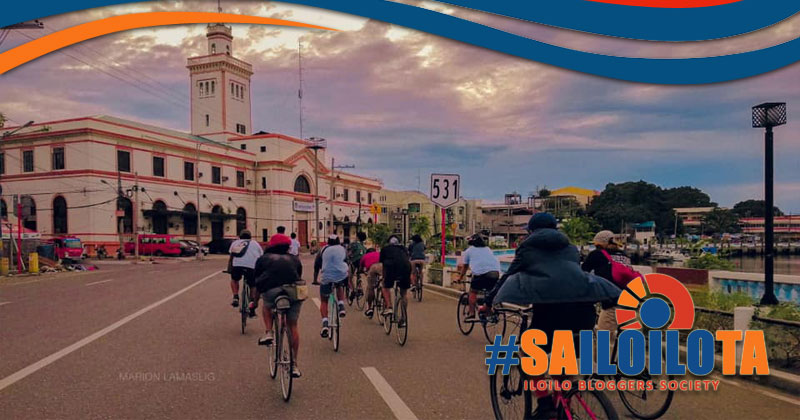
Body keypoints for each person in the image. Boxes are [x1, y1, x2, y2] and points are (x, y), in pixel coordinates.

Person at [490, 213, 620, 419]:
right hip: (584, 311)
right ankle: (568, 398)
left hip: (552, 311)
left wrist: (489, 300)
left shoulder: (527, 247)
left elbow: (509, 275)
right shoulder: (570, 248)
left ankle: (545, 404)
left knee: (529, 353)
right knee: (564, 358)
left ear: (532, 231)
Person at [254, 234, 303, 378]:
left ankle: (269, 332)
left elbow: (257, 283)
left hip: (272, 292)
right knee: (292, 325)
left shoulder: (263, 259)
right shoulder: (295, 259)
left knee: (266, 306)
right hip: (293, 292)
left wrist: (255, 302)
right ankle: (294, 364)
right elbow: (298, 275)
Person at [582, 230, 633, 340]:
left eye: (597, 245)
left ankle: (603, 357)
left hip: (612, 302)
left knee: (603, 337)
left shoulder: (597, 254)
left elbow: (582, 273)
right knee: (626, 337)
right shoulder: (624, 255)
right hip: (631, 301)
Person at [457, 234, 501, 321]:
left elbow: (465, 267)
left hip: (481, 274)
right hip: (495, 273)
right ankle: (489, 310)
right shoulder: (488, 249)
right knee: (489, 292)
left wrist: (460, 277)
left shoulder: (469, 251)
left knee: (473, 292)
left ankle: (472, 313)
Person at [313, 234, 349, 337]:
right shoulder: (343, 249)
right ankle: (341, 305)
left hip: (327, 277)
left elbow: (316, 266)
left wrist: (315, 280)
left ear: (328, 242)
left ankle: (325, 323)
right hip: (341, 275)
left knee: (324, 300)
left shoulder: (323, 250)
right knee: (339, 285)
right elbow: (346, 261)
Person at [228, 230, 264, 316]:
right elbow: (261, 256)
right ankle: (252, 302)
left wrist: (230, 269)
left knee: (234, 279)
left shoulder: (235, 243)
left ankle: (235, 297)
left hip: (237, 266)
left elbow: (231, 256)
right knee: (253, 285)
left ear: (240, 237)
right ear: (250, 237)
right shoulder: (255, 243)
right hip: (251, 267)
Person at [379, 235, 411, 319]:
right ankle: (404, 317)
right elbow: (407, 259)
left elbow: (384, 266)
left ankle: (389, 307)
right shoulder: (404, 249)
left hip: (391, 267)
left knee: (385, 287)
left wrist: (383, 278)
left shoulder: (385, 249)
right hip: (406, 268)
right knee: (404, 293)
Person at [359, 247, 381, 317]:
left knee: (371, 287)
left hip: (372, 268)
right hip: (382, 267)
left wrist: (362, 271)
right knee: (384, 285)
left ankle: (369, 307)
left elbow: (361, 267)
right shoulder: (379, 253)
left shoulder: (365, 256)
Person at [346, 231, 368, 300]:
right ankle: (359, 287)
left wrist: (348, 257)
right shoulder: (364, 247)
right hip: (363, 262)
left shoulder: (353, 244)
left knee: (349, 277)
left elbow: (348, 253)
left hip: (355, 261)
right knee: (359, 274)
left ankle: (353, 290)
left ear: (357, 237)